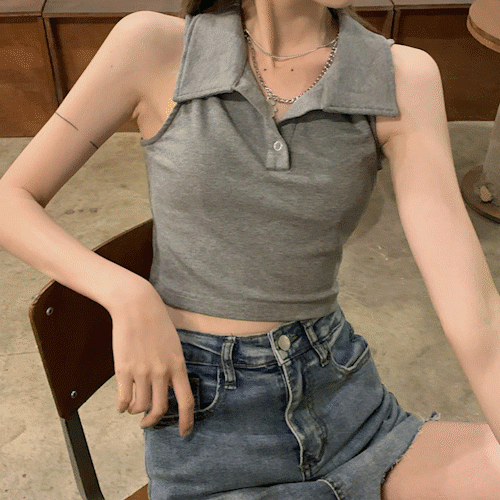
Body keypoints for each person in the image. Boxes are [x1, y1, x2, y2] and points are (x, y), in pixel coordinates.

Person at [0, 0, 499, 498]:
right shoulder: (155, 47)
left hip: (344, 401)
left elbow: (476, 314)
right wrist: (126, 292)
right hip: (208, 428)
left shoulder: (400, 76)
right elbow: (11, 200)